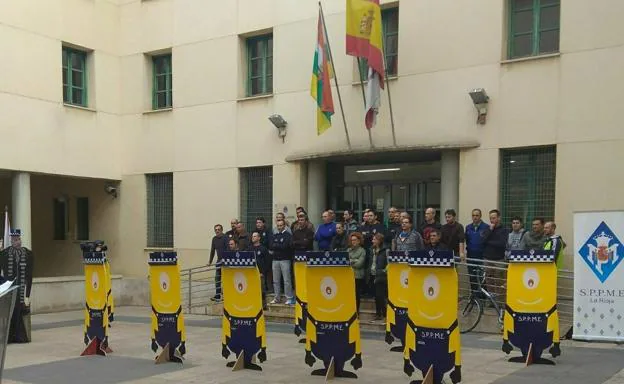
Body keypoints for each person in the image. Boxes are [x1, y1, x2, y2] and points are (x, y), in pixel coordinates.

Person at [0, 229, 34, 343]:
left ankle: (19, 336)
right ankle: (8, 337)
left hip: (21, 290)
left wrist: (27, 296)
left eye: (19, 239)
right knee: (9, 312)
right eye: (15, 240)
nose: (17, 242)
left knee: (19, 310)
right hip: (9, 290)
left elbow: (29, 276)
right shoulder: (4, 254)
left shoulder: (28, 254)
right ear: (11, 240)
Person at [481, 210, 508, 305]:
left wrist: (489, 242)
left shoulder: (504, 230)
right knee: (489, 281)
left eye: (494, 218)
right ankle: (491, 301)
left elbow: (501, 244)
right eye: (490, 218)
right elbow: (483, 240)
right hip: (487, 258)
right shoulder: (487, 229)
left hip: (499, 259)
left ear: (498, 218)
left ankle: (500, 303)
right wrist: (490, 230)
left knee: (499, 282)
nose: (492, 220)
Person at [270, 220, 295, 305]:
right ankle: (277, 298)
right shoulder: (275, 235)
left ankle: (289, 297)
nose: (279, 227)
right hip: (275, 260)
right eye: (278, 226)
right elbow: (271, 245)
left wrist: (276, 245)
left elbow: (285, 246)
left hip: (285, 260)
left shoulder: (288, 235)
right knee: (275, 280)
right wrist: (278, 245)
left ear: (284, 226)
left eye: (281, 225)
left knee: (287, 280)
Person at [465, 209, 489, 294]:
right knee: (472, 277)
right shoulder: (468, 227)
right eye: (473, 215)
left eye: (477, 215)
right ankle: (474, 296)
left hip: (481, 256)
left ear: (480, 216)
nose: (475, 217)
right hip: (471, 256)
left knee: (481, 277)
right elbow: (467, 241)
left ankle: (482, 297)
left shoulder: (486, 227)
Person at [249, 232, 270, 310]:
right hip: (251, 273)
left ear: (259, 238)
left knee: (261, 290)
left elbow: (267, 262)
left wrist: (263, 272)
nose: (253, 238)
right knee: (252, 289)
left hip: (260, 273)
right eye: (252, 236)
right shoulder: (250, 248)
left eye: (255, 236)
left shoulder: (263, 249)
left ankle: (263, 305)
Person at [370, 233, 388, 322]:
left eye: (374, 239)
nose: (372, 241)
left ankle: (384, 314)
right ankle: (378, 314)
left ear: (379, 240)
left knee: (380, 296)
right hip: (372, 274)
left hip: (381, 276)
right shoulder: (372, 250)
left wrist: (383, 271)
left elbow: (389, 264)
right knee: (376, 296)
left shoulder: (385, 250)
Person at [348, 232, 367, 313]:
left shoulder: (362, 251)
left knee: (356, 295)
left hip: (358, 276)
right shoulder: (348, 250)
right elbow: (346, 262)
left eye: (355, 240)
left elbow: (359, 264)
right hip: (348, 275)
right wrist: (354, 260)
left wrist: (351, 261)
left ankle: (356, 311)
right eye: (352, 240)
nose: (353, 242)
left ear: (359, 241)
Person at [209, 224, 227, 302]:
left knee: (225, 279)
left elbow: (228, 249)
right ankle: (217, 295)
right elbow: (212, 251)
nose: (217, 231)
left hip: (225, 262)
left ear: (221, 230)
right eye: (215, 230)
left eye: (218, 229)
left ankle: (225, 295)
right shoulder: (214, 239)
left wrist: (225, 260)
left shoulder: (225, 238)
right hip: (218, 262)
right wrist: (210, 261)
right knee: (217, 279)